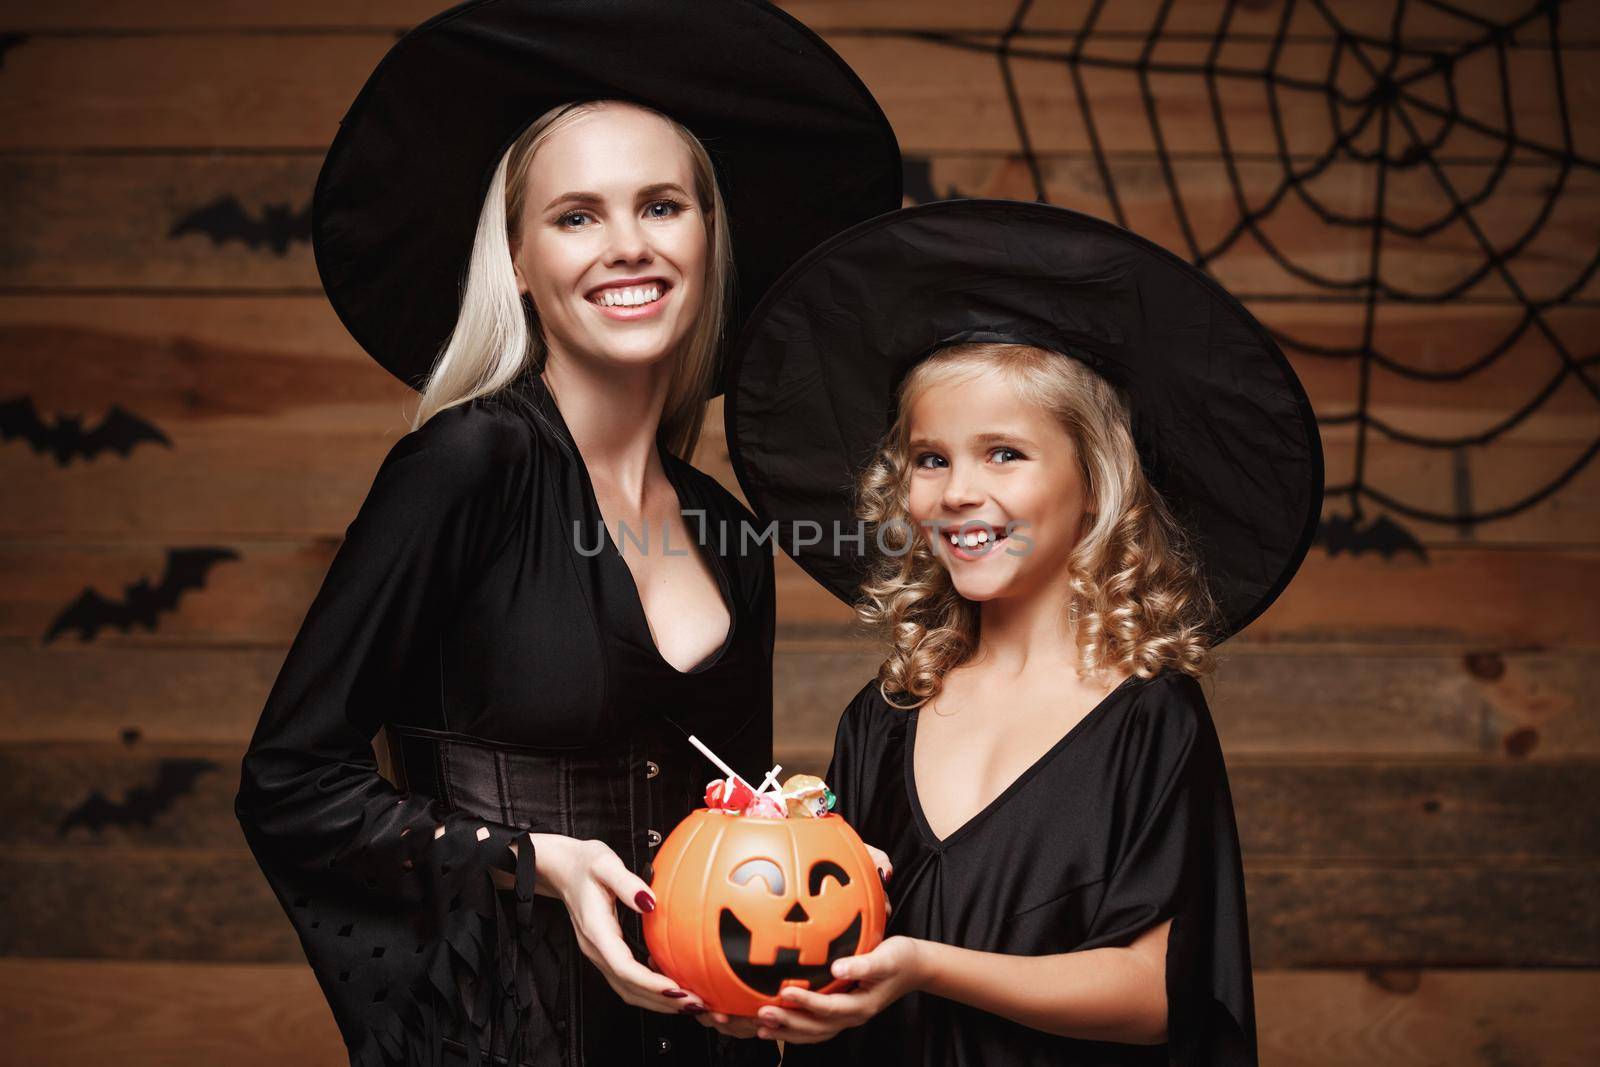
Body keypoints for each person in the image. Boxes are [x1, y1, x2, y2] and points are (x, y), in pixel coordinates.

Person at [232, 3, 901, 1066]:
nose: (629, 243)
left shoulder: (727, 531)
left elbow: (719, 804)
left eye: (662, 205)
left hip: (698, 1042)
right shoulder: (465, 467)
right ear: (520, 262)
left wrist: (800, 840)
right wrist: (536, 860)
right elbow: (289, 781)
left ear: (708, 235)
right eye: (577, 216)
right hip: (507, 1036)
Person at [718, 200, 1323, 1064]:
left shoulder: (1150, 719)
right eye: (932, 458)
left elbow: (1155, 992)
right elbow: (827, 934)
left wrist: (929, 965)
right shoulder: (885, 716)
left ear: (1093, 481)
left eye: (1004, 453)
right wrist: (757, 993)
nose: (959, 490)